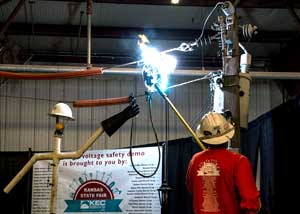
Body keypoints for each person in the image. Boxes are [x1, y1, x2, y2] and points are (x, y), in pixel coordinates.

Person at [186, 111, 261, 214]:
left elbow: (191, 188)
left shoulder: (195, 160)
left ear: (204, 138)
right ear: (227, 135)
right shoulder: (239, 161)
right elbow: (251, 203)